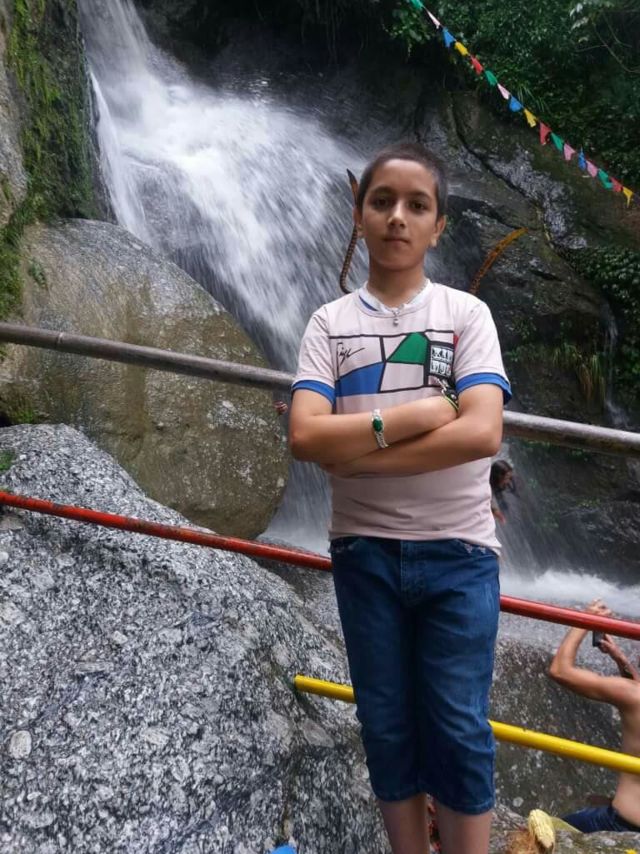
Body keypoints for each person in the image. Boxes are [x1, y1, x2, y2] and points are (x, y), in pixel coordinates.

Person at [289, 142, 512, 854]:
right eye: (382, 201)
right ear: (359, 214)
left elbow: (480, 432)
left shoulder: (465, 315)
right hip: (365, 555)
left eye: (418, 205)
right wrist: (411, 417)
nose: (397, 217)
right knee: (385, 724)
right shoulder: (328, 324)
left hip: (459, 553)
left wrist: (356, 454)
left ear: (438, 226)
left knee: (458, 726)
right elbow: (305, 435)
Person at [548, 598, 640, 834]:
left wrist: (585, 620)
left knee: (542, 833)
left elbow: (560, 670)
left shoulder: (634, 696)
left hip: (621, 824)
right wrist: (623, 662)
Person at [490, 459, 514, 525]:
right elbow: (490, 498)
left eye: (510, 478)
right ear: (498, 476)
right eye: (506, 478)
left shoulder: (495, 490)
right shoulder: (485, 490)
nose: (508, 482)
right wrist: (496, 511)